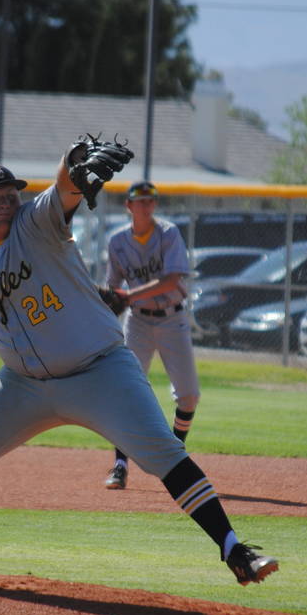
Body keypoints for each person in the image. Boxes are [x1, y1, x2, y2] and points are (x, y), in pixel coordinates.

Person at [0, 154, 280, 585]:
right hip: (22, 385)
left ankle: (235, 550)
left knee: (165, 453)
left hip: (99, 371)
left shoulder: (36, 224)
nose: (6, 203)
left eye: (10, 195)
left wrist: (68, 163)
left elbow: (64, 189)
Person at [102, 180, 200, 490]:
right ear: (128, 206)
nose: (145, 205)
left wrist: (126, 297)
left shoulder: (168, 233)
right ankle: (120, 465)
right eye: (139, 200)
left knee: (189, 395)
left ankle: (173, 454)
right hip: (138, 323)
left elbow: (171, 280)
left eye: (150, 200)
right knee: (123, 393)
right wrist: (107, 301)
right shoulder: (117, 242)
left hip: (173, 319)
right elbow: (113, 288)